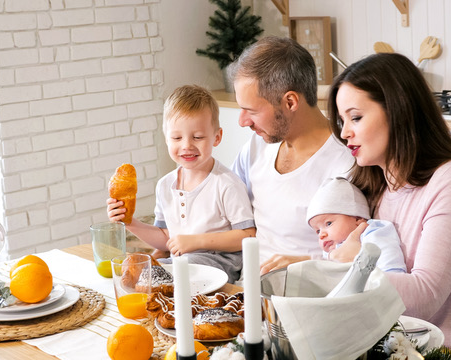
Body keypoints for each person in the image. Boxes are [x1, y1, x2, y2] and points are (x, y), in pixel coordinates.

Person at [327, 52, 451, 354]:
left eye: (356, 118)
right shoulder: (374, 183)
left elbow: (425, 296)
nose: (344, 133)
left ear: (398, 111)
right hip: (392, 346)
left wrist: (355, 266)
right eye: (342, 121)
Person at [227, 36, 355, 273]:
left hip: (306, 295)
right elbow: (226, 209)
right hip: (247, 290)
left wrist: (307, 264)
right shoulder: (256, 146)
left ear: (290, 102)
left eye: (250, 110)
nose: (242, 121)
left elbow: (359, 253)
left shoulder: (345, 164)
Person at [106, 85, 256, 283]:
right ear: (167, 139)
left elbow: (248, 235)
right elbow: (166, 239)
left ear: (217, 137)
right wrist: (130, 222)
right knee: (131, 267)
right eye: (177, 137)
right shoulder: (165, 185)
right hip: (181, 263)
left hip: (218, 263)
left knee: (176, 270)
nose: (186, 145)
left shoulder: (226, 184)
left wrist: (195, 241)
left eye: (198, 137)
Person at [306, 176, 406, 273]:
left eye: (328, 223)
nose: (321, 235)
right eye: (318, 231)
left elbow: (389, 263)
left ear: (357, 219)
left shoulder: (372, 232)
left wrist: (390, 278)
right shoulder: (329, 253)